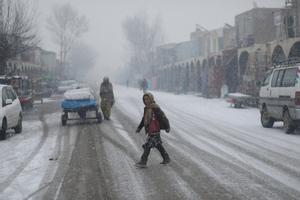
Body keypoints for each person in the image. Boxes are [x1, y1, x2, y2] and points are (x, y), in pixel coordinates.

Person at [135, 92, 170, 168]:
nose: (146, 101)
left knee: (148, 146)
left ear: (151, 99)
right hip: (150, 130)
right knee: (158, 145)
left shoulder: (155, 108)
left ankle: (143, 161)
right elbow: (144, 119)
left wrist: (167, 127)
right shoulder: (147, 108)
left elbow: (163, 117)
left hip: (155, 130)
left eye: (147, 99)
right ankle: (166, 158)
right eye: (144, 99)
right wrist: (139, 127)